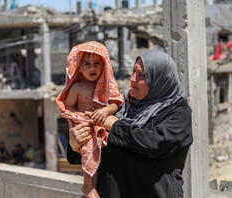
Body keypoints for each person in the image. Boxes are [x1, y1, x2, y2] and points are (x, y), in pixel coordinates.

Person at [67, 50, 193, 198]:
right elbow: (94, 150)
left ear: (159, 80)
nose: (132, 79)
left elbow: (156, 144)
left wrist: (116, 126)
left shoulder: (177, 113)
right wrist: (75, 146)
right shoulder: (119, 105)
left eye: (142, 76)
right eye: (134, 72)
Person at [56, 41, 123, 198]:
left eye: (96, 63)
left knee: (105, 158)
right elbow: (68, 108)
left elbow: (115, 104)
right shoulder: (77, 88)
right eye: (86, 64)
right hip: (86, 130)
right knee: (89, 152)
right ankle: (88, 186)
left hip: (104, 130)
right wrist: (82, 117)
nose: (92, 68)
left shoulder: (108, 86)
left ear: (104, 64)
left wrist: (105, 111)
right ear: (78, 68)